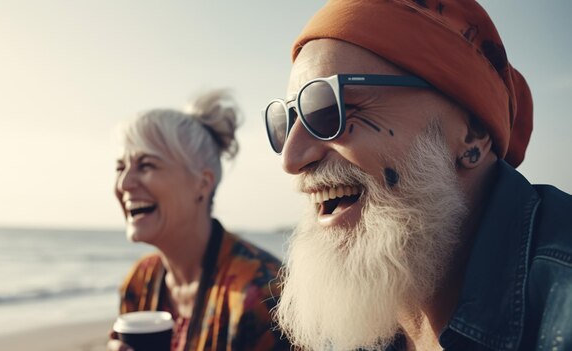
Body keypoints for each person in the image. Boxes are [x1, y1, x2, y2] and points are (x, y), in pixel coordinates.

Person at [264, 1, 572, 350]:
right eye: (285, 122)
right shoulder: (352, 317)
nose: (291, 158)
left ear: (471, 134)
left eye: (326, 109)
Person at [109, 90, 289, 351]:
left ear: (202, 184)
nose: (124, 183)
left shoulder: (264, 292)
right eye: (119, 168)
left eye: (146, 165)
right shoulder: (139, 281)